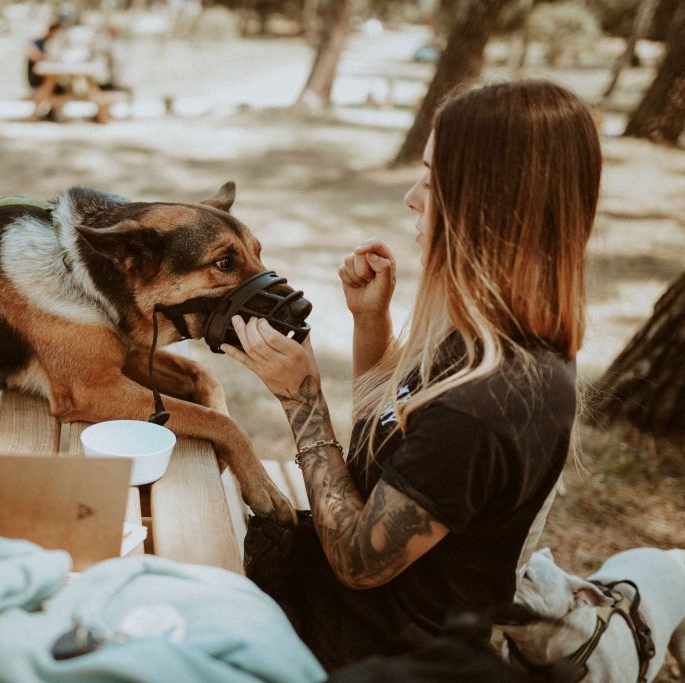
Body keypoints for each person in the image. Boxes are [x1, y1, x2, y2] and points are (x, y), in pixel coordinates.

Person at [221, 80, 602, 670]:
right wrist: (371, 322)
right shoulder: (487, 332)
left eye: (432, 178)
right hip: (342, 609)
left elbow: (357, 560)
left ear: (489, 201)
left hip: (373, 651)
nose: (411, 197)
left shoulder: (488, 401)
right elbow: (385, 455)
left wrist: (303, 402)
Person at [26, 23, 63, 91]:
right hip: (36, 77)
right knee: (52, 79)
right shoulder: (38, 42)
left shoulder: (47, 44)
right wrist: (48, 58)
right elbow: (33, 55)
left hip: (43, 75)